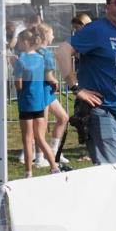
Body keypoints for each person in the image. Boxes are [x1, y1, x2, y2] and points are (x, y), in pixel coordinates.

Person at [56, 0, 116, 165]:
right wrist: (76, 88)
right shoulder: (97, 29)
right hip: (104, 112)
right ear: (107, 7)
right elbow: (62, 52)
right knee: (110, 172)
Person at [12, 29, 60, 178]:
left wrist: (14, 68)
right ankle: (54, 167)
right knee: (40, 138)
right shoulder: (41, 58)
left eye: (20, 42)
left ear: (25, 42)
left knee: (27, 139)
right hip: (39, 103)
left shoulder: (20, 61)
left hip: (26, 103)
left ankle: (28, 172)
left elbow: (18, 85)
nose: (18, 45)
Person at [31, 23, 70, 165]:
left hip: (45, 92)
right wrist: (55, 81)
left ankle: (53, 151)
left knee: (63, 117)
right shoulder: (45, 54)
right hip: (42, 91)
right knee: (42, 126)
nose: (53, 36)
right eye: (52, 34)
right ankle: (39, 158)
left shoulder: (33, 51)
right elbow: (48, 76)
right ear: (46, 36)